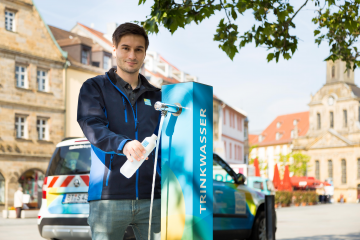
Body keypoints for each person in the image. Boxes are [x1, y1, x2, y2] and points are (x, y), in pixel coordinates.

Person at [77, 23, 161, 240]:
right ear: (114, 49)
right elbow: (92, 125)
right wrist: (123, 144)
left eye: (138, 49)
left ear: (144, 53)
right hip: (108, 198)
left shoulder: (158, 97)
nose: (132, 55)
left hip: (152, 198)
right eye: (125, 48)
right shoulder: (94, 87)